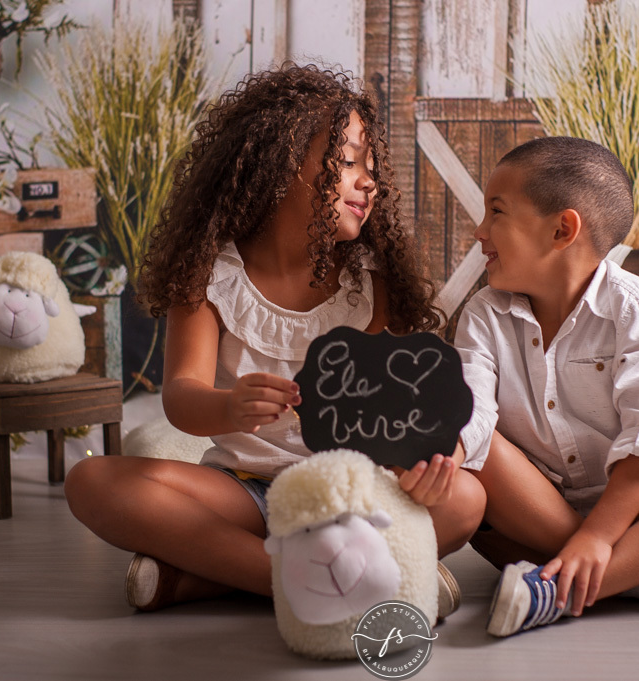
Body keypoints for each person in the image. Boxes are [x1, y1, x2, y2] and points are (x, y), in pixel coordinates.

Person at [64, 63, 485, 615]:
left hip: (349, 493)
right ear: (283, 163)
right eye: (350, 160)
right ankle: (328, 581)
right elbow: (182, 398)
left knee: (467, 500)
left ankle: (204, 578)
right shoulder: (210, 277)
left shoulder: (372, 283)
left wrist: (420, 464)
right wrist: (230, 406)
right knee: (92, 480)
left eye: (371, 168)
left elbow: (403, 406)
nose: (369, 181)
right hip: (243, 491)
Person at [453, 136, 639, 637]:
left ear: (562, 229)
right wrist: (451, 445)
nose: (478, 230)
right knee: (477, 454)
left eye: (496, 213)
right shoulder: (484, 315)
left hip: (631, 504)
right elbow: (470, 409)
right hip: (529, 511)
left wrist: (597, 537)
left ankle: (554, 589)